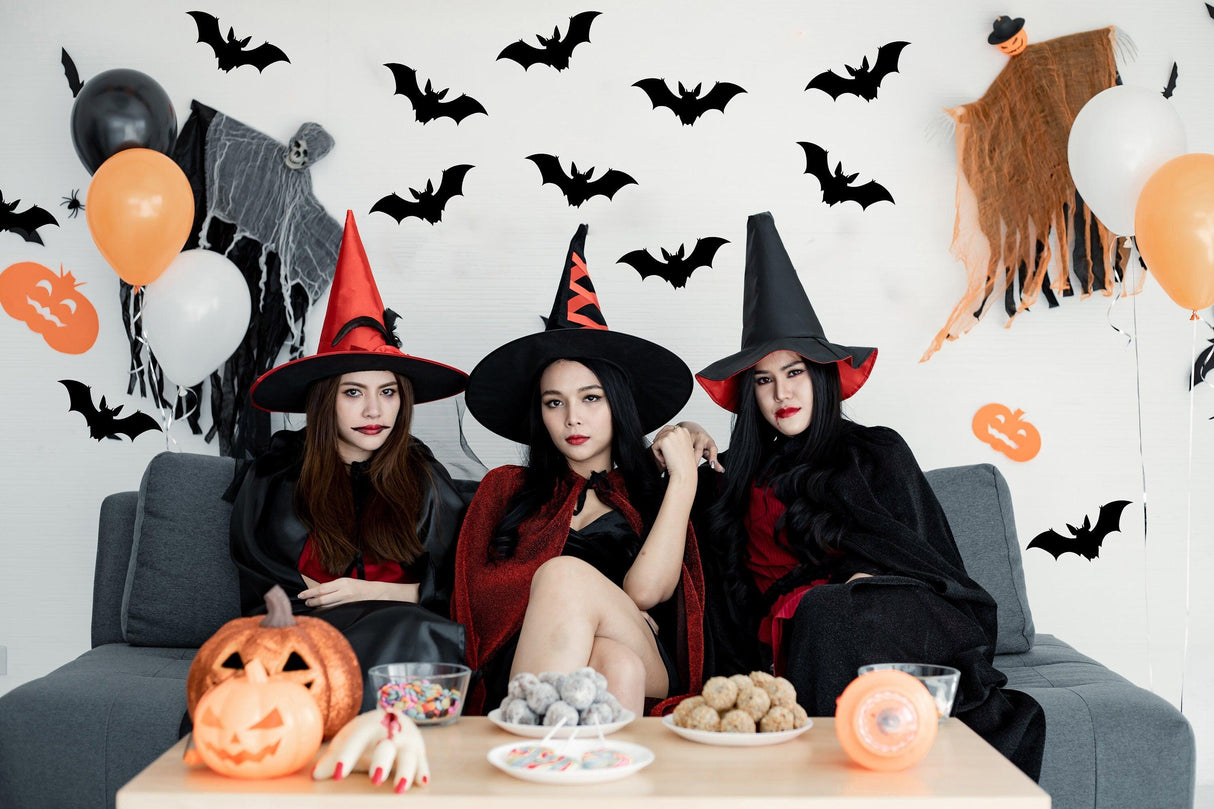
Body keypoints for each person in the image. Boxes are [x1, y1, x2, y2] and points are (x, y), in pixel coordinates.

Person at [690, 212, 1045, 778]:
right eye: (763, 379)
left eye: (797, 372)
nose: (782, 392)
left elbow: (928, 564)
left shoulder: (873, 451)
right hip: (792, 637)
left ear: (823, 376)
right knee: (822, 613)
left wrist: (865, 580)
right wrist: (680, 443)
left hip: (891, 617)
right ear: (749, 394)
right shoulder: (728, 477)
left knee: (832, 608)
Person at [452, 225, 707, 716]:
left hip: (649, 654)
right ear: (539, 413)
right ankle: (599, 788)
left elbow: (646, 592)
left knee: (566, 577)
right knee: (615, 663)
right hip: (541, 656)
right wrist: (585, 618)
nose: (573, 417)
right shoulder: (506, 487)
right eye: (555, 402)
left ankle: (523, 748)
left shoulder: (652, 488)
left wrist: (684, 479)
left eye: (591, 398)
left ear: (618, 403)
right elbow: (478, 601)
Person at [227, 212, 471, 712]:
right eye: (353, 393)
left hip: (410, 633)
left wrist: (373, 592)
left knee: (425, 628)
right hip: (307, 641)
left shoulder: (421, 477)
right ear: (324, 402)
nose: (374, 411)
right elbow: (280, 595)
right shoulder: (279, 476)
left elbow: (460, 586)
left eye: (387, 393)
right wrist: (377, 597)